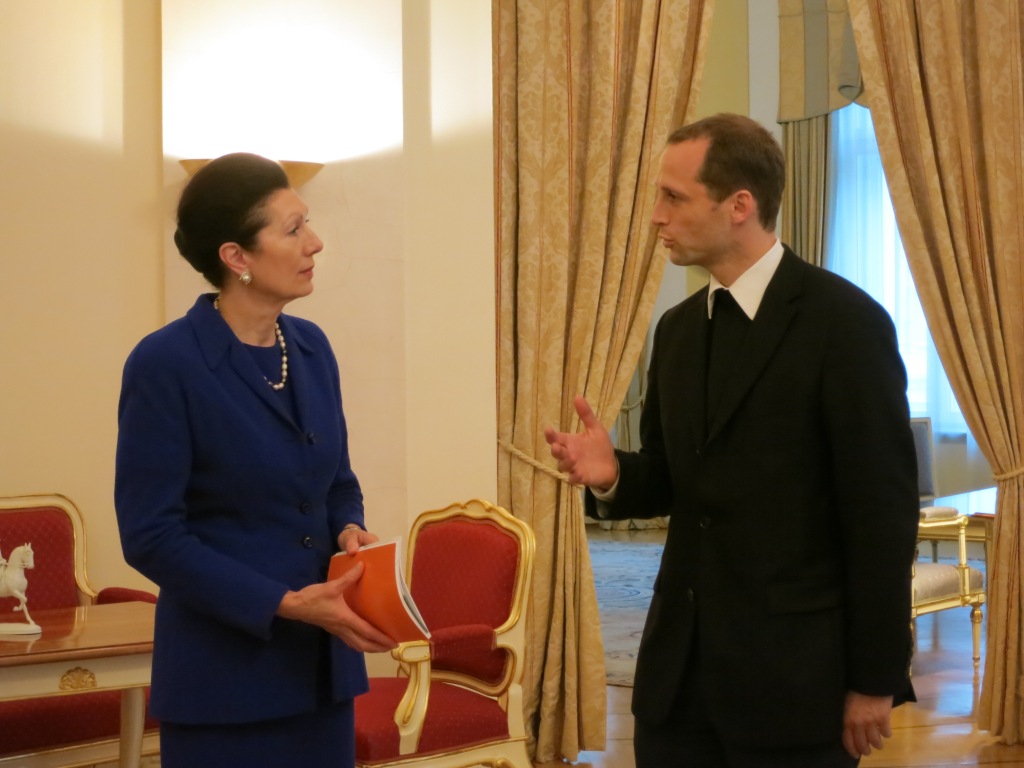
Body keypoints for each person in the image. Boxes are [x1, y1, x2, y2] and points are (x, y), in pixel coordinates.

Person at [545, 114, 919, 767]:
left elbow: (882, 519)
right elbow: (671, 478)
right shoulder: (678, 330)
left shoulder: (846, 325)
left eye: (674, 197)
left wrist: (874, 678)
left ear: (739, 205)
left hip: (796, 685)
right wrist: (613, 473)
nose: (656, 216)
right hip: (678, 685)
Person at [115, 153, 395, 767]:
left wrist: (349, 529)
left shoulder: (312, 348)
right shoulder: (165, 364)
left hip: (320, 672)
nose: (314, 242)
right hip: (223, 678)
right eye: (293, 230)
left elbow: (337, 482)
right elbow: (151, 536)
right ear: (236, 256)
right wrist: (285, 603)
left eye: (307, 224)